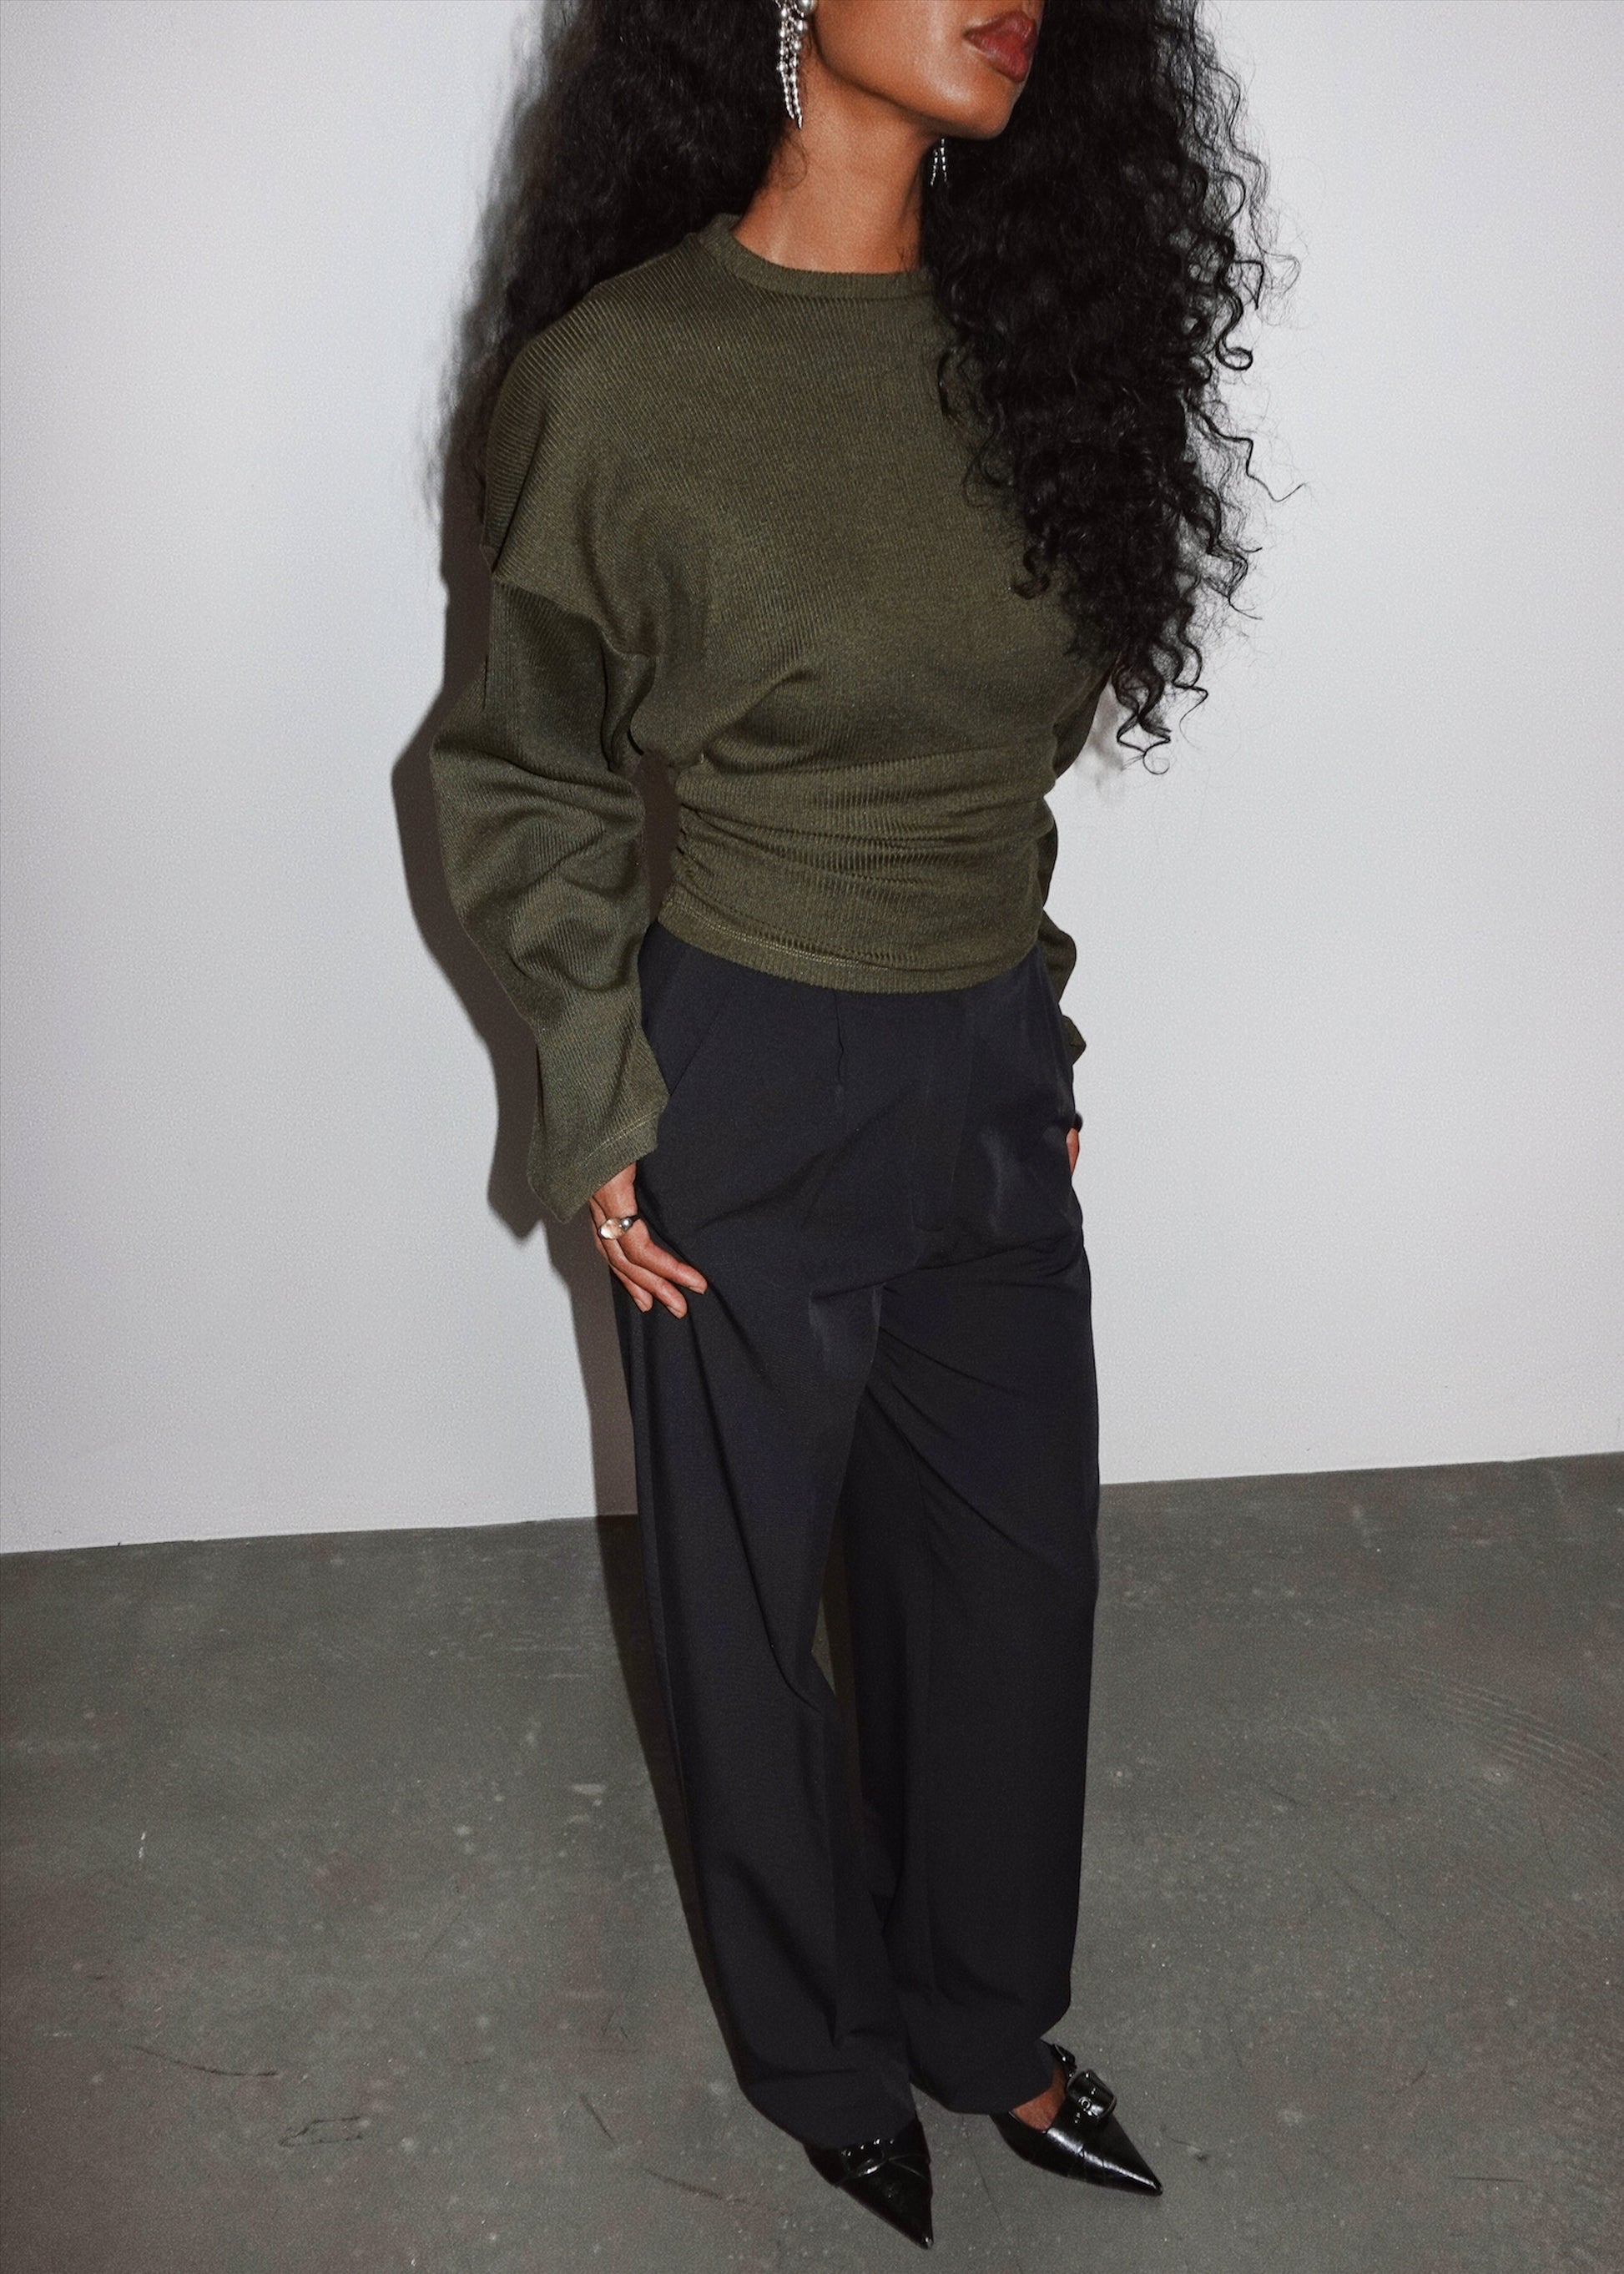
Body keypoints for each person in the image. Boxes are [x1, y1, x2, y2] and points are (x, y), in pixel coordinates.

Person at [431, 0, 1281, 2247]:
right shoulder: (619, 381)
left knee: (1006, 1592)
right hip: (750, 1065)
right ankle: (819, 2056)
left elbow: (984, 769)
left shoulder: (1040, 347)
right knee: (741, 1611)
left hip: (980, 1064)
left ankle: (984, 2024)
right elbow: (520, 772)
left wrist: (1034, 1035)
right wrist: (600, 1092)